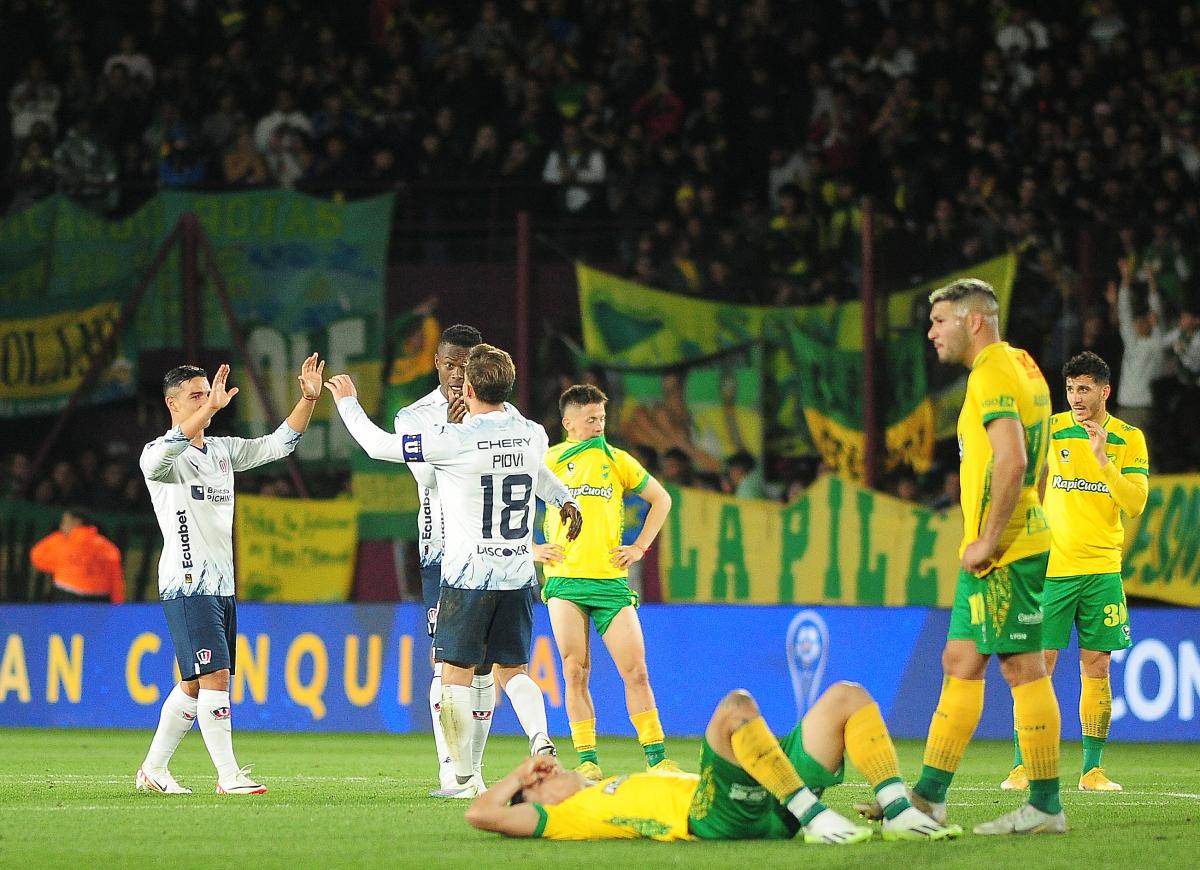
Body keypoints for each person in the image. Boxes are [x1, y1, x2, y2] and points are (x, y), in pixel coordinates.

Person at [326, 345, 583, 798]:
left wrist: (347, 399)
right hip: (519, 575)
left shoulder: (454, 439)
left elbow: (378, 445)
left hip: (468, 577)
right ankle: (540, 738)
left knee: (453, 676)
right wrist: (564, 498)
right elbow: (536, 471)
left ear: (466, 387)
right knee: (513, 670)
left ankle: (462, 777)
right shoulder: (532, 434)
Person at [899, 278, 1066, 835]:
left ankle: (1045, 806)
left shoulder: (992, 371)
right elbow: (1038, 457)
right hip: (1011, 543)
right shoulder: (1024, 364)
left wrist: (991, 539)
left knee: (1023, 670)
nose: (931, 333)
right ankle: (928, 798)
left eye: (939, 321)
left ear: (974, 321)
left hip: (1005, 552)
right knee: (960, 662)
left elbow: (1014, 459)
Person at [396, 325, 585, 797]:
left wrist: (559, 495)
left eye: (466, 366)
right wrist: (456, 434)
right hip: (442, 553)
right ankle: (453, 767)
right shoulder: (413, 415)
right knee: (456, 668)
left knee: (480, 669)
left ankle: (469, 771)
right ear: (437, 364)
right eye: (449, 364)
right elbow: (427, 475)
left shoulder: (504, 418)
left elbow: (525, 466)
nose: (457, 375)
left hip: (483, 558)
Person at [135, 355, 324, 796]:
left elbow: (279, 444)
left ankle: (154, 769)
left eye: (208, 394)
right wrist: (212, 409)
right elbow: (159, 460)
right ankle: (228, 776)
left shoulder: (221, 452)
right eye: (196, 397)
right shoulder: (159, 456)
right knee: (216, 676)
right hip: (188, 583)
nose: (206, 402)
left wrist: (308, 400)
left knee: (192, 683)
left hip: (221, 585)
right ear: (172, 405)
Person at [464, 681, 961, 844]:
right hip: (715, 814)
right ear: (534, 802)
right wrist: (519, 773)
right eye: (540, 780)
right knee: (735, 709)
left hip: (764, 793)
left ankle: (899, 812)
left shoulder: (605, 787)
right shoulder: (559, 818)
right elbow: (480, 813)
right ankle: (812, 816)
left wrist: (532, 775)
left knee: (847, 696)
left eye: (542, 768)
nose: (547, 770)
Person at [1001, 351, 1147, 793]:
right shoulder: (1053, 430)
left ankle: (1092, 770)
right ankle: (1024, 765)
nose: (1075, 398)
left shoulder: (1128, 439)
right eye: (1069, 389)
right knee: (1037, 667)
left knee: (1097, 666)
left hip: (1102, 571)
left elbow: (1135, 503)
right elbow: (1026, 478)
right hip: (1054, 571)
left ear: (1105, 391)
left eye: (1083, 389)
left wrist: (1102, 460)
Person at [537, 384, 676, 781]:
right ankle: (588, 761)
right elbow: (501, 502)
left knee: (637, 671)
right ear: (569, 424)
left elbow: (661, 499)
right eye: (590, 420)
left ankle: (657, 759)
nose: (599, 426)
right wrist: (531, 549)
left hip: (611, 583)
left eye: (601, 418)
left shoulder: (618, 461)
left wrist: (640, 548)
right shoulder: (546, 461)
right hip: (564, 581)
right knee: (574, 670)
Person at [30, 507, 125, 602]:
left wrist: (61, 568)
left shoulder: (61, 542)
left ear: (76, 522)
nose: (61, 526)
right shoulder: (108, 547)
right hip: (99, 602)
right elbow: (116, 582)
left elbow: (37, 556)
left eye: (64, 522)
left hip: (67, 597)